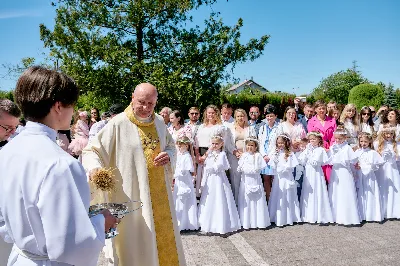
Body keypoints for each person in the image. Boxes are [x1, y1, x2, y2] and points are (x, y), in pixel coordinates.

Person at [0, 66, 118, 266]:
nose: (73, 112)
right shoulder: (60, 163)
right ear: (58, 107)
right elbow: (73, 246)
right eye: (72, 105)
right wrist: (102, 222)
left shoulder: (7, 151)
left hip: (20, 257)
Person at [82, 83, 186, 266]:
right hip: (131, 196)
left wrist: (169, 155)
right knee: (135, 245)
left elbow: (171, 145)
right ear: (132, 98)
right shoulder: (118, 123)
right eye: (141, 102)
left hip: (161, 197)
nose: (146, 108)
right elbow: (92, 150)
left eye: (151, 104)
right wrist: (95, 169)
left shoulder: (160, 123)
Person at [197, 131, 241, 234]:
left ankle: (221, 222)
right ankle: (207, 221)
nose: (214, 145)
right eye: (213, 143)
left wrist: (212, 168)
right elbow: (206, 164)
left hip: (219, 178)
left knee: (220, 196)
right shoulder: (210, 154)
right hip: (210, 179)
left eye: (217, 144)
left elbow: (221, 166)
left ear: (221, 144)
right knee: (209, 197)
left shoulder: (222, 154)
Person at [194, 105, 229, 198]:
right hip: (200, 153)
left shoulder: (219, 127)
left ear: (217, 113)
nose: (211, 115)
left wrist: (205, 155)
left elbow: (218, 143)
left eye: (213, 113)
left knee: (208, 177)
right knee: (200, 178)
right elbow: (196, 141)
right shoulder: (201, 126)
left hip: (211, 154)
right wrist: (197, 155)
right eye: (209, 112)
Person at [327, 126, 360, 225]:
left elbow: (354, 159)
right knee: (335, 191)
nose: (337, 140)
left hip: (345, 172)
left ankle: (347, 217)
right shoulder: (333, 147)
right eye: (336, 138)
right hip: (336, 171)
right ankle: (335, 215)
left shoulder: (347, 148)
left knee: (345, 192)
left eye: (340, 139)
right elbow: (329, 159)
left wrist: (346, 161)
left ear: (345, 138)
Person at [298, 132, 333, 224]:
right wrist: (305, 153)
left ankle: (319, 215)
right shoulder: (308, 149)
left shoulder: (320, 150)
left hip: (316, 172)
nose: (312, 141)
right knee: (308, 191)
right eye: (311, 139)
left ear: (319, 140)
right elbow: (301, 160)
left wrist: (309, 154)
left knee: (317, 190)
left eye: (314, 139)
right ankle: (308, 215)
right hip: (308, 172)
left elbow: (315, 162)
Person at [268, 133, 301, 227]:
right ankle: (276, 217)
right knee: (278, 195)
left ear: (286, 143)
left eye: (282, 143)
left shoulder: (290, 153)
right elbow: (272, 165)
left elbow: (291, 166)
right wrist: (274, 159)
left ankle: (289, 217)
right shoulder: (276, 153)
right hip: (279, 178)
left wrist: (284, 169)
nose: (280, 145)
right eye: (278, 143)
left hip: (287, 177)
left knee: (287, 195)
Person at [237, 137, 271, 229]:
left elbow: (258, 169)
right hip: (246, 180)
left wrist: (251, 170)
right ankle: (246, 221)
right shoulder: (244, 156)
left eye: (252, 145)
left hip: (255, 180)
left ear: (256, 147)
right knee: (246, 199)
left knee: (256, 198)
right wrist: (244, 169)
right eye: (248, 145)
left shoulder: (258, 156)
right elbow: (240, 167)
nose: (250, 147)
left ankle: (258, 221)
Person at [225, 109, 256, 204]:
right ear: (235, 117)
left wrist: (246, 153)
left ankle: (247, 202)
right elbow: (228, 143)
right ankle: (236, 202)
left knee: (246, 178)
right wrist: (234, 152)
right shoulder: (230, 128)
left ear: (245, 117)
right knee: (235, 179)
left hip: (247, 156)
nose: (240, 118)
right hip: (234, 156)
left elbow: (254, 141)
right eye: (238, 116)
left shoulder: (250, 128)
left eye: (242, 116)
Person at [354, 132, 384, 222]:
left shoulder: (372, 153)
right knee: (361, 193)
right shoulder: (357, 151)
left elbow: (376, 166)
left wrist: (364, 167)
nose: (363, 143)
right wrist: (355, 166)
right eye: (361, 141)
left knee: (370, 193)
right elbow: (353, 162)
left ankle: (371, 214)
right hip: (359, 175)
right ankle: (361, 214)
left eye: (365, 141)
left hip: (369, 177)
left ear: (369, 142)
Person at [374, 125, 400, 219]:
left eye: (391, 134)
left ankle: (393, 211)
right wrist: (381, 156)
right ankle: (382, 210)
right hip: (382, 169)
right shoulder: (377, 143)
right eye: (387, 133)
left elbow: (398, 158)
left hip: (392, 168)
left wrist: (392, 156)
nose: (389, 135)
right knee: (382, 187)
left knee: (392, 188)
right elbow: (375, 157)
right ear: (383, 133)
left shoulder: (396, 144)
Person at [307, 100, 337, 182]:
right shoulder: (311, 122)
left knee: (330, 175)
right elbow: (311, 137)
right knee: (320, 175)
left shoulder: (332, 120)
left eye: (323, 108)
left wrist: (330, 148)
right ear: (315, 109)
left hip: (330, 149)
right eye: (319, 108)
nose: (322, 110)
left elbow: (335, 136)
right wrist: (321, 148)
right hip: (317, 149)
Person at [173, 136, 198, 231]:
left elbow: (184, 171)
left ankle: (186, 223)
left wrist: (175, 173)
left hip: (184, 181)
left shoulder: (187, 157)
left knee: (184, 200)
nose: (179, 147)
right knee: (178, 200)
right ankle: (179, 221)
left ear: (186, 146)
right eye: (178, 145)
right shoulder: (179, 155)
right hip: (179, 181)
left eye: (181, 145)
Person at [258, 105, 280, 201]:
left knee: (274, 179)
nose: (269, 118)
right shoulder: (262, 128)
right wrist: (264, 155)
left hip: (274, 156)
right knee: (266, 179)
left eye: (271, 116)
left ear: (275, 116)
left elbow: (279, 144)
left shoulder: (279, 128)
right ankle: (268, 199)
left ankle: (275, 200)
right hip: (264, 157)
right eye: (267, 116)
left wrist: (270, 156)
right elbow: (260, 143)